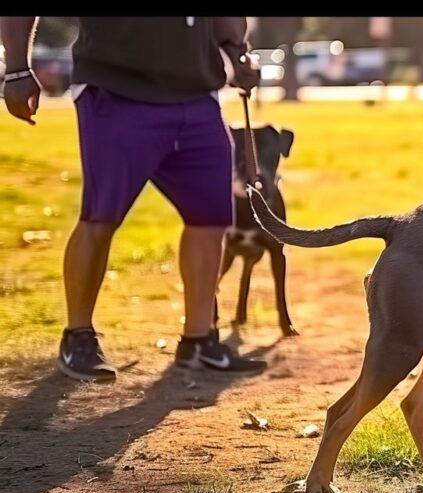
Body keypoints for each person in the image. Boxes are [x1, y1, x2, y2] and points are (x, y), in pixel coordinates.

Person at [2, 17, 267, 381]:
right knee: (100, 217)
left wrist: (237, 53)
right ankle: (78, 337)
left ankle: (199, 339)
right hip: (114, 90)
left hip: (197, 93)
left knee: (211, 219)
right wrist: (16, 69)